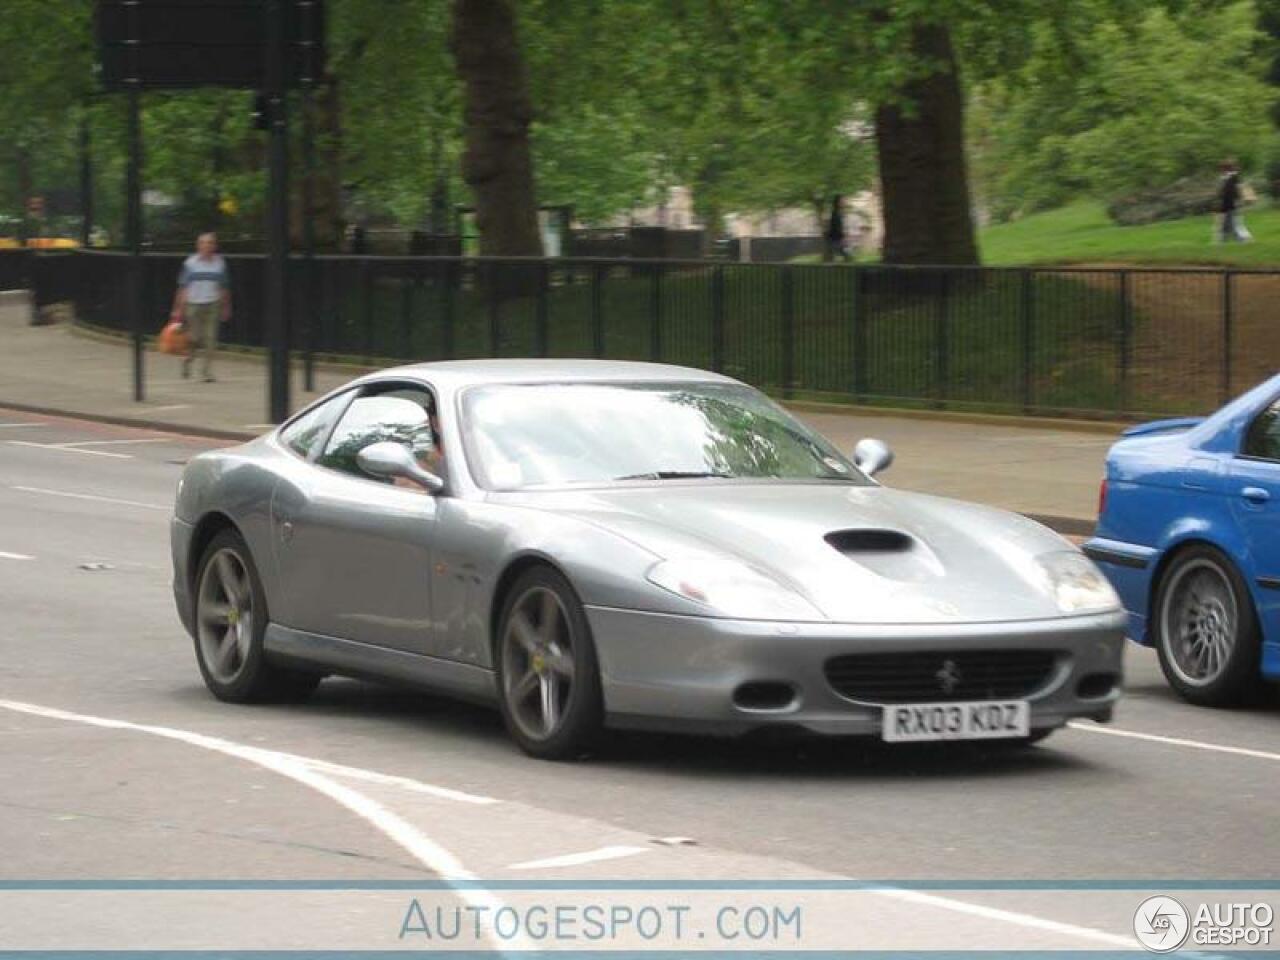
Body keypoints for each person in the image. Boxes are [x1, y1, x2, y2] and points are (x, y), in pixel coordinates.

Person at [170, 232, 231, 381]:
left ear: (215, 246)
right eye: (203, 243)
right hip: (193, 304)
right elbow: (183, 287)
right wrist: (178, 308)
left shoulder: (220, 263)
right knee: (195, 338)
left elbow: (224, 287)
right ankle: (187, 359)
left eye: (210, 243)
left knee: (211, 339)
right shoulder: (190, 263)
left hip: (213, 304)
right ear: (198, 245)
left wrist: (226, 306)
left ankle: (206, 372)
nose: (207, 246)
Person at [1218, 160, 1251, 243]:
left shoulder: (1233, 178)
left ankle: (1243, 240)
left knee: (1235, 224)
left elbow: (1237, 190)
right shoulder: (1227, 178)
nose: (1221, 171)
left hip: (1232, 204)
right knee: (1227, 225)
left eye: (1222, 169)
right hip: (1228, 205)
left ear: (1225, 169)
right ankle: (1223, 241)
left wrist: (1241, 200)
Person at [825, 195, 850, 262]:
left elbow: (839, 226)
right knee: (844, 255)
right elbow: (836, 227)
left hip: (837, 239)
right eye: (842, 201)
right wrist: (843, 237)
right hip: (835, 239)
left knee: (845, 255)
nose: (844, 202)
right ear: (838, 202)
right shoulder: (835, 213)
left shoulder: (839, 212)